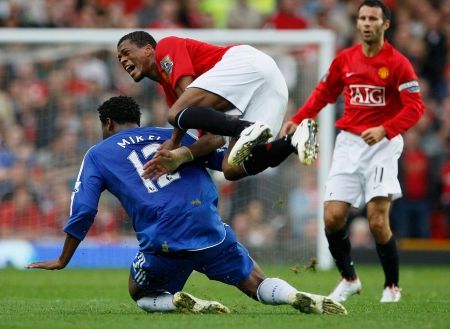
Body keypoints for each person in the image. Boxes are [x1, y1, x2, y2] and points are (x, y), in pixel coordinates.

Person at [26, 96, 346, 315]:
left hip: (163, 235)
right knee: (255, 283)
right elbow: (230, 163)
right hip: (205, 223)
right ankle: (293, 295)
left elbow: (83, 209)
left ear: (107, 123)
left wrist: (63, 258)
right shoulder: (173, 137)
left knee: (140, 294)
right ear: (138, 121)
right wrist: (283, 147)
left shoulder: (98, 152)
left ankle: (176, 301)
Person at [280, 0, 425, 303]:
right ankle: (349, 279)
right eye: (362, 18)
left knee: (376, 219)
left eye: (373, 18)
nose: (366, 23)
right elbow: (323, 93)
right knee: (332, 217)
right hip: (349, 143)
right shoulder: (344, 60)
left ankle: (392, 286)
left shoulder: (398, 63)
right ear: (357, 23)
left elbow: (415, 107)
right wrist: (298, 118)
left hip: (383, 145)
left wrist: (385, 129)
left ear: (385, 24)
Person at [116, 30, 318, 178]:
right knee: (232, 167)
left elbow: (187, 102)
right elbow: (214, 140)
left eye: (126, 52)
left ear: (148, 49)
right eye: (119, 58)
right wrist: (181, 156)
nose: (123, 60)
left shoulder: (166, 47)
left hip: (247, 63)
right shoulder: (175, 96)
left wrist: (174, 141)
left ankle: (245, 129)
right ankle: (294, 140)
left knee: (175, 113)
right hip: (271, 87)